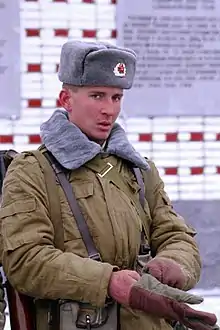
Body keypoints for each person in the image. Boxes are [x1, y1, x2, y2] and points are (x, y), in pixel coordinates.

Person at [0, 40, 202, 330]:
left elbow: (176, 234)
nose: (109, 110)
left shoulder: (138, 170)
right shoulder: (32, 171)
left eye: (116, 97)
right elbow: (25, 260)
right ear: (66, 99)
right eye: (97, 96)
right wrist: (108, 282)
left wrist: (172, 265)